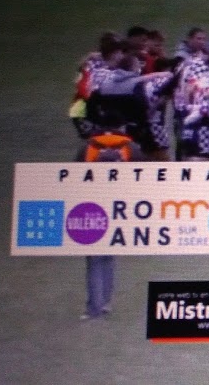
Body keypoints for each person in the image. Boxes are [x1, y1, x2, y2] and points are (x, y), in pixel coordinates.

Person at [77, 124, 146, 320]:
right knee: (108, 257)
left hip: (92, 208)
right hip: (119, 208)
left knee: (94, 260)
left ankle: (93, 307)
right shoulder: (131, 148)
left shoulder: (88, 147)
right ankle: (106, 302)